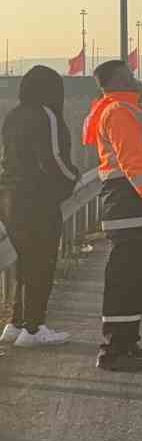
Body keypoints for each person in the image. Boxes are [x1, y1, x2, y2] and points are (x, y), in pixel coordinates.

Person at [85, 59, 142, 372]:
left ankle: (127, 342)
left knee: (139, 281)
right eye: (130, 74)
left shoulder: (134, 112)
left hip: (139, 210)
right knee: (125, 281)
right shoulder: (118, 113)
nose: (136, 78)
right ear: (118, 80)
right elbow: (133, 164)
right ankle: (112, 351)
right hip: (130, 208)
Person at [0, 66, 79, 348]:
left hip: (9, 197)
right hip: (37, 201)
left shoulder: (14, 115)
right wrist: (74, 177)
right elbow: (54, 159)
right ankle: (34, 329)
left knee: (25, 260)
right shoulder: (46, 114)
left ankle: (16, 323)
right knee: (42, 263)